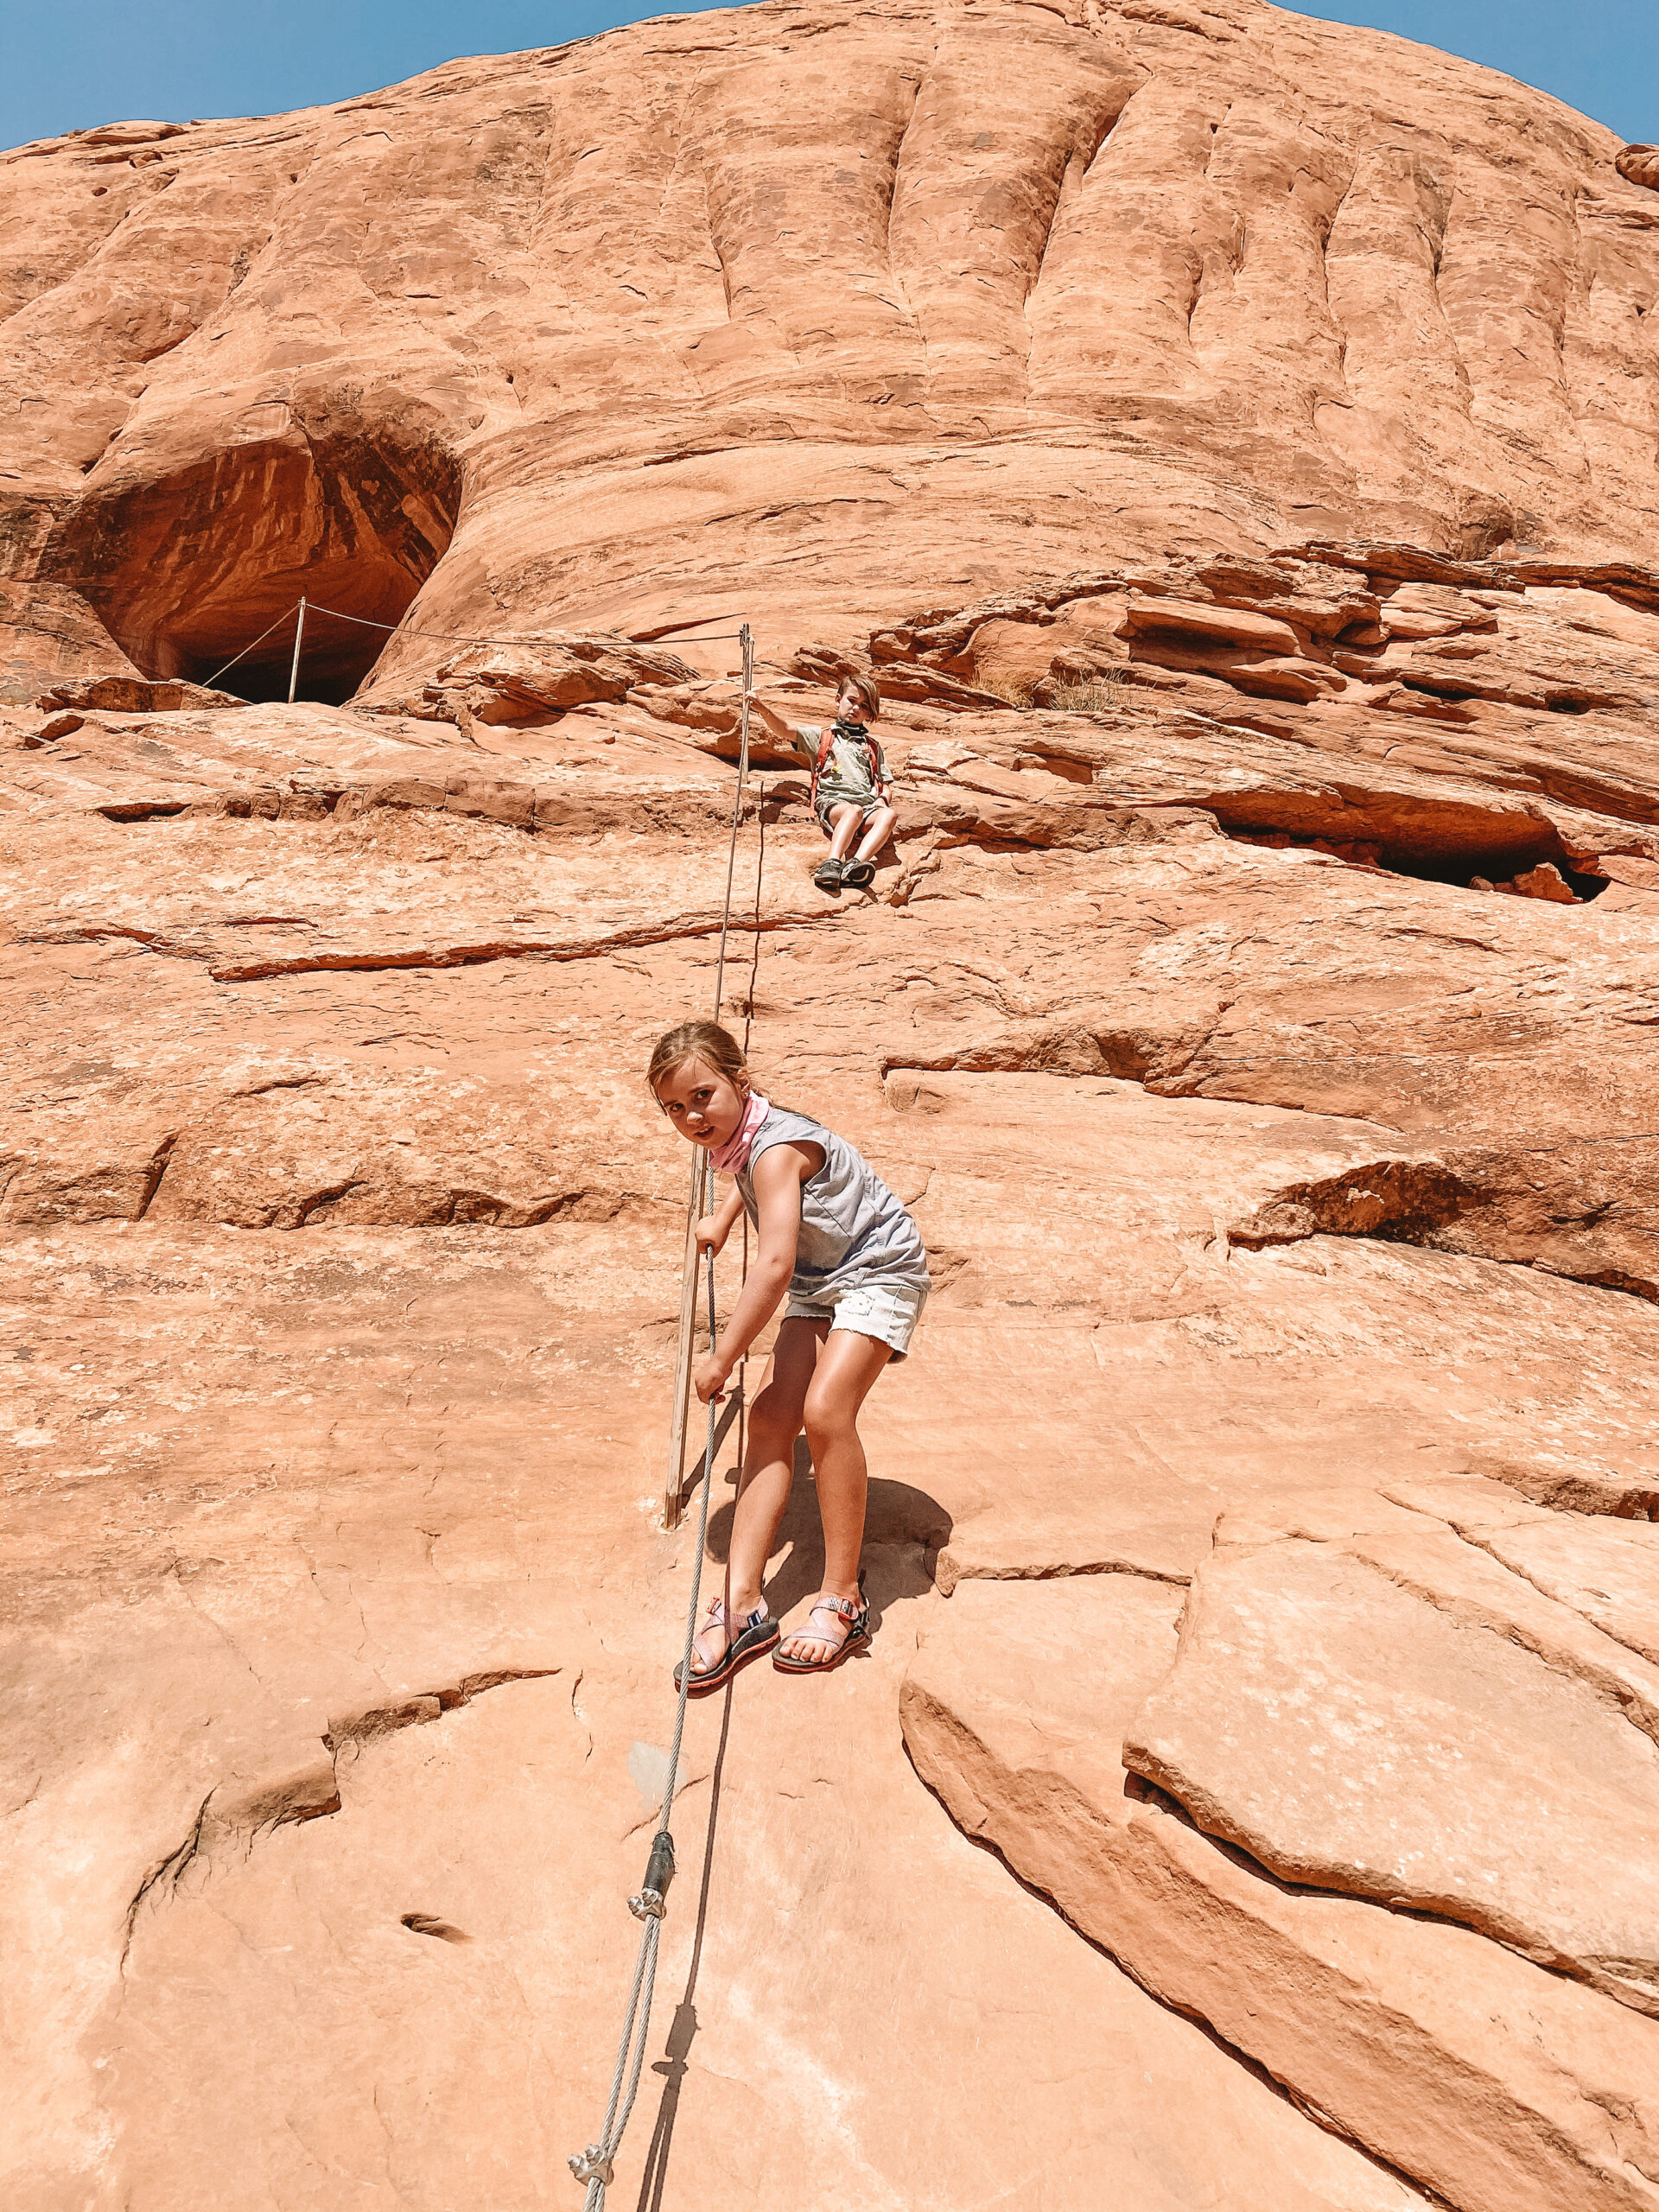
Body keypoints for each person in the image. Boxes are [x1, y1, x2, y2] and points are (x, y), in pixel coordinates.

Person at [646, 1018, 931, 1688]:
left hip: (877, 1268)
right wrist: (722, 1217)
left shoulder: (776, 1147)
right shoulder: (743, 1138)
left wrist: (723, 1358)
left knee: (826, 1411)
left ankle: (844, 1599)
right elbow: (757, 1184)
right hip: (821, 1276)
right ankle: (742, 1604)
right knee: (773, 1419)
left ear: (739, 1082)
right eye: (673, 1108)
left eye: (703, 1096)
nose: (691, 1116)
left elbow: (773, 1264)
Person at [747, 671, 895, 893]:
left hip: (866, 808)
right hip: (835, 804)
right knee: (852, 811)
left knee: (889, 815)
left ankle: (855, 865)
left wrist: (883, 800)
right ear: (839, 699)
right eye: (852, 701)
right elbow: (786, 730)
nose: (856, 708)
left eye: (864, 706)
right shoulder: (823, 736)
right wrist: (764, 710)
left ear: (869, 713)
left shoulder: (872, 746)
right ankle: (832, 863)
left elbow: (884, 783)